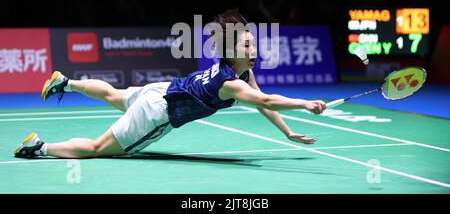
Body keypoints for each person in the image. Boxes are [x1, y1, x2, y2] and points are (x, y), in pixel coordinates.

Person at [14, 9, 327, 159]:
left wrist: (286, 132)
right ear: (232, 51)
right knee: (100, 148)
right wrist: (306, 104)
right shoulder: (231, 83)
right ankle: (40, 148)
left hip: (160, 88)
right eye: (247, 46)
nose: (254, 48)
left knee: (113, 94)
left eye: (252, 42)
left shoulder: (241, 73)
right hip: (157, 111)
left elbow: (261, 101)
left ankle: (65, 82)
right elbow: (268, 101)